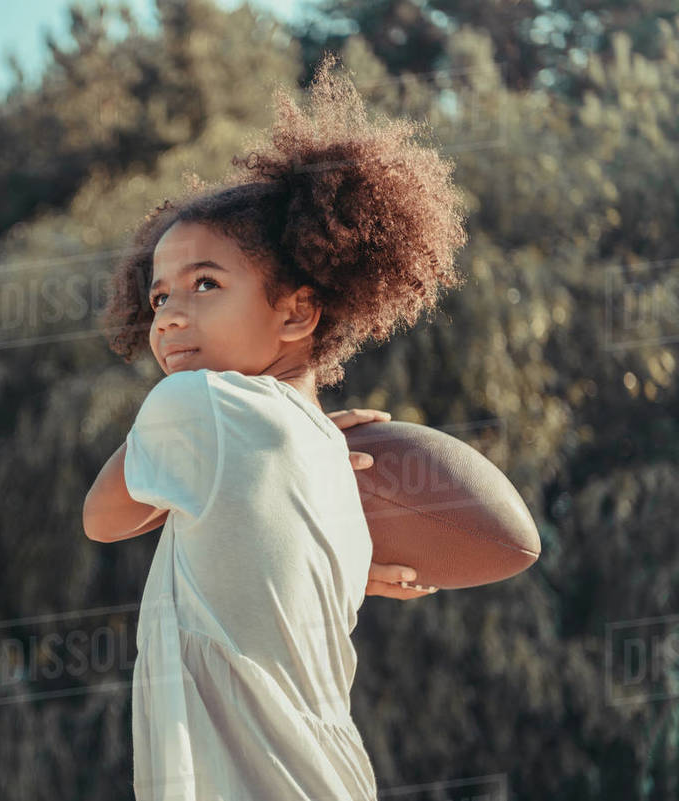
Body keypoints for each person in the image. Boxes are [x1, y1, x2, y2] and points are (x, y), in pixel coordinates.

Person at [82, 52, 469, 800]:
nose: (170, 316)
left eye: (205, 284)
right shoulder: (329, 453)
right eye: (159, 297)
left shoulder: (199, 404)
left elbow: (102, 517)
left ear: (295, 310)